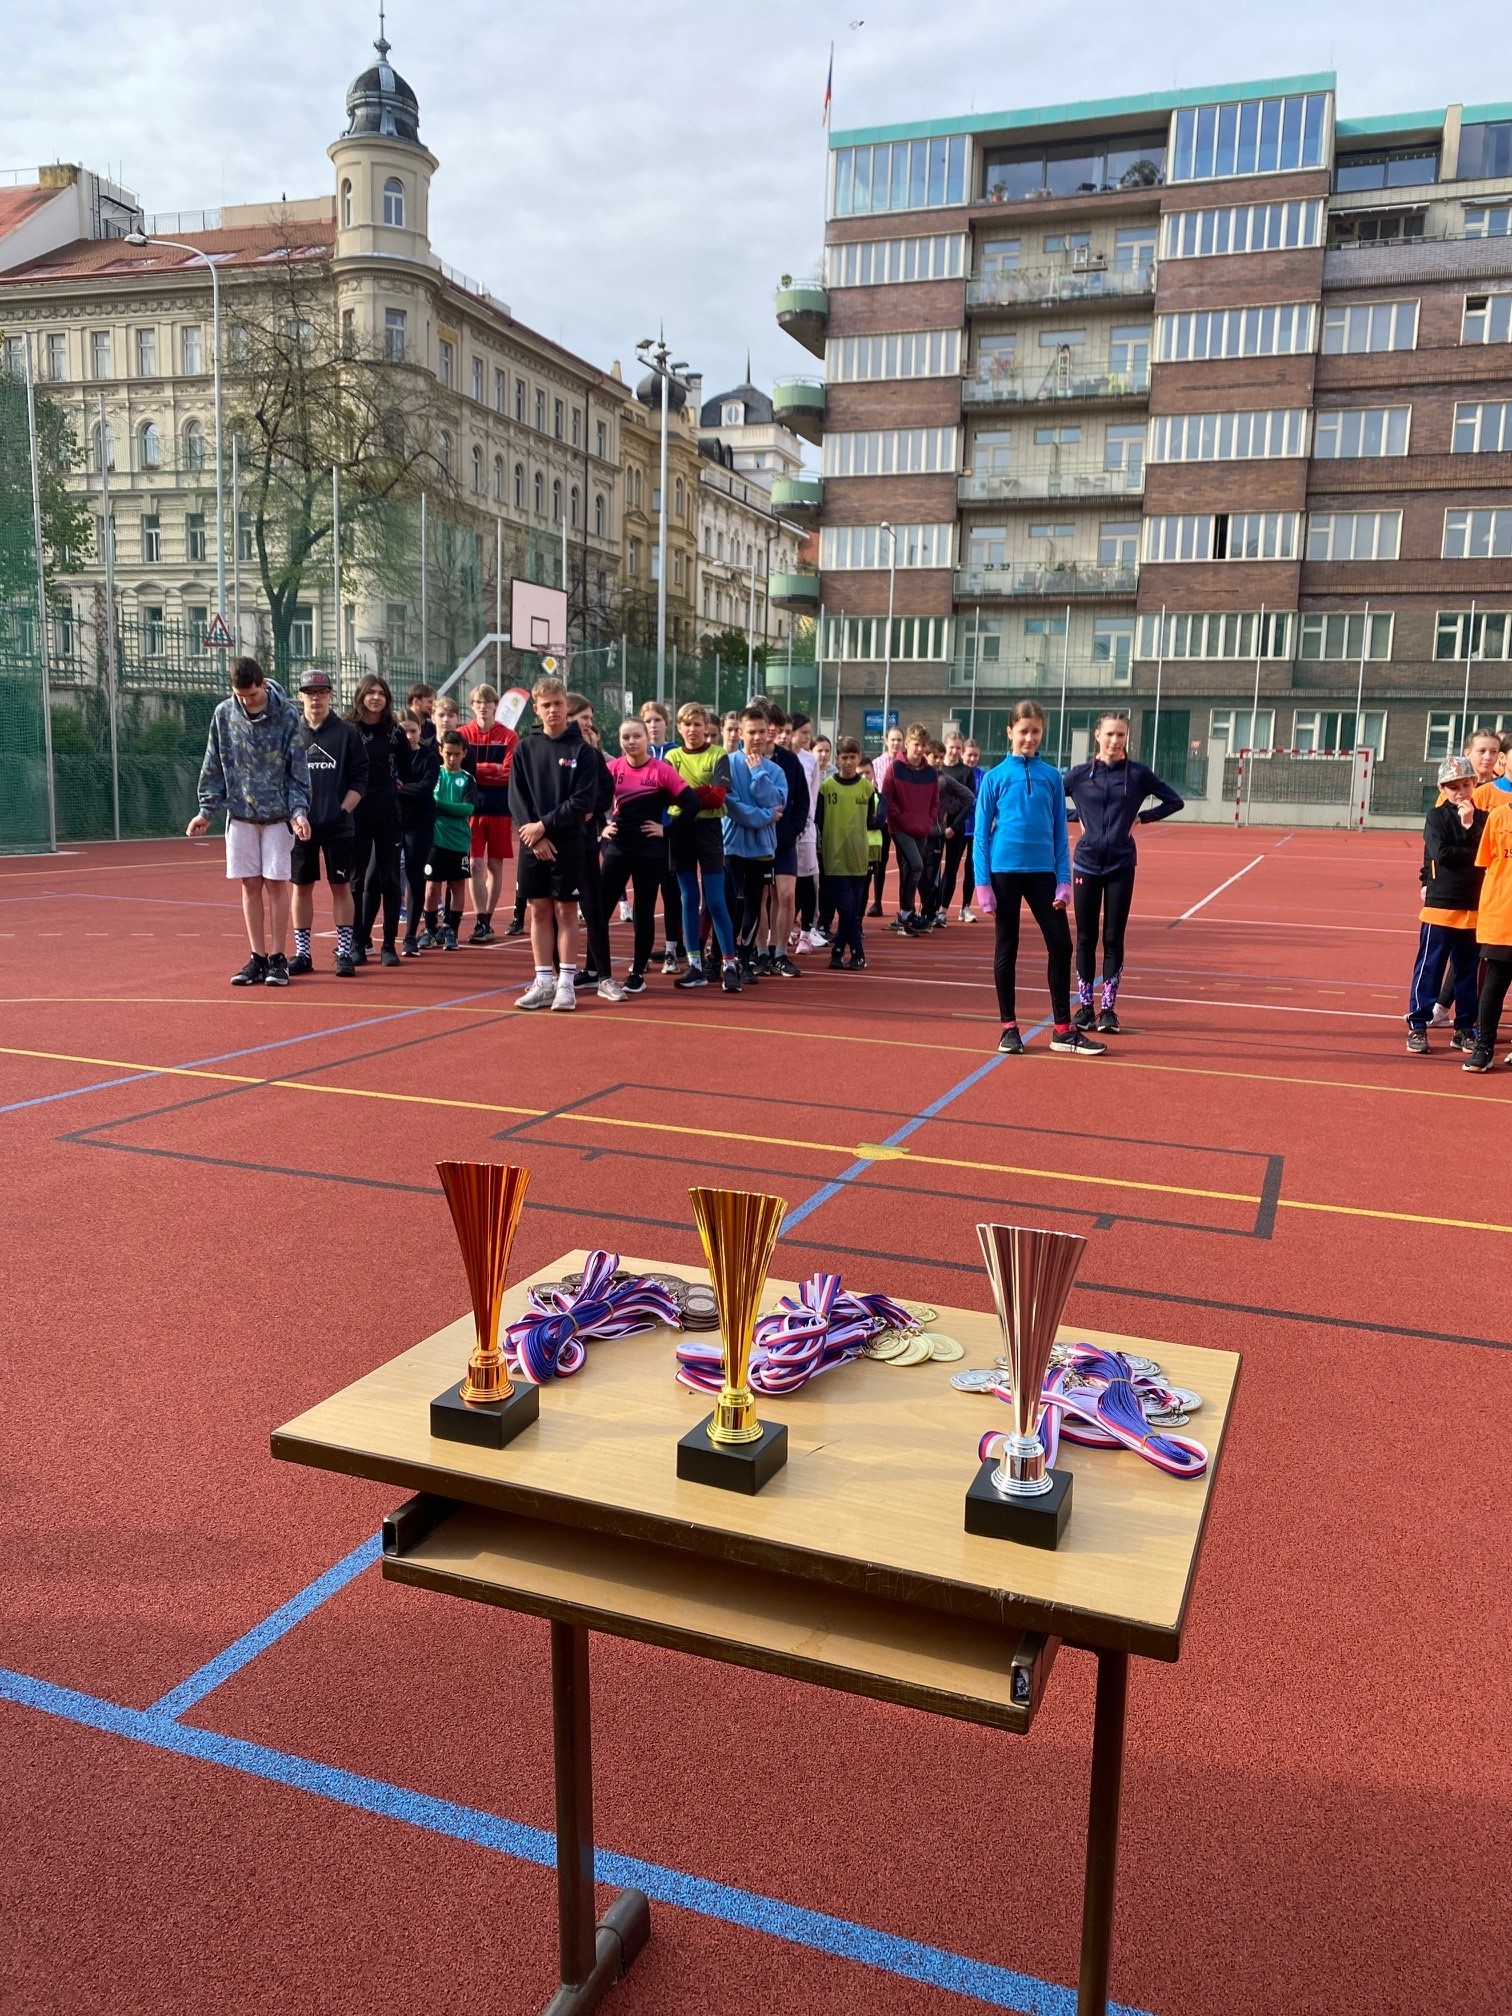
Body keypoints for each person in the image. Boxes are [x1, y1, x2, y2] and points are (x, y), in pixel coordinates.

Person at [973, 699, 1105, 1057]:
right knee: (1007, 946)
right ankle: (1008, 1028)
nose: (1029, 737)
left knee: (1061, 945)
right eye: (1023, 731)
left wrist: (1064, 880)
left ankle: (1062, 1029)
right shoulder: (994, 778)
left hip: (1043, 874)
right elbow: (981, 835)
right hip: (1004, 873)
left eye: (1036, 731)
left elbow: (1060, 833)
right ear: (1010, 732)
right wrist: (982, 884)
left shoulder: (1051, 777)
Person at [188, 656, 311, 987]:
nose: (245, 701)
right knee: (250, 884)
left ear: (263, 684)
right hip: (241, 814)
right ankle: (257, 957)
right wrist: (206, 811)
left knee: (276, 883)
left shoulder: (287, 715)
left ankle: (278, 958)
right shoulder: (224, 714)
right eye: (239, 695)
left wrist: (299, 812)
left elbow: (298, 771)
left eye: (252, 695)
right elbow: (214, 764)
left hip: (278, 817)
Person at [1063, 712, 1185, 1034]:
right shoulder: (1078, 775)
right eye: (1109, 734)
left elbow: (1175, 801)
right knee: (1085, 938)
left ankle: (1108, 1010)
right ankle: (1085, 1007)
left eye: (1121, 735)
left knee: (1113, 938)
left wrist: (1142, 818)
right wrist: (1076, 816)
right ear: (1097, 735)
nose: (1115, 741)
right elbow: (1048, 802)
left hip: (1121, 864)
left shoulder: (1138, 775)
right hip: (1086, 864)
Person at [508, 676, 599, 1012]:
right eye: (546, 705)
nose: (553, 710)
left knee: (565, 911)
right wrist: (535, 836)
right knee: (538, 910)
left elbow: (583, 801)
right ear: (536, 708)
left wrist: (544, 826)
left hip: (568, 843)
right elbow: (517, 798)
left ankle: (566, 985)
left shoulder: (583, 751)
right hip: (532, 842)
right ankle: (543, 982)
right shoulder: (524, 748)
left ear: (567, 705)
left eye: (558, 703)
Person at [600, 718, 703, 993]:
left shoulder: (661, 770)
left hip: (649, 849)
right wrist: (601, 827)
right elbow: (591, 800)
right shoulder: (612, 768)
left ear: (647, 738)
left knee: (643, 911)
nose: (631, 742)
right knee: (600, 908)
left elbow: (692, 804)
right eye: (625, 737)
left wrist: (667, 830)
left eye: (636, 736)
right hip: (618, 846)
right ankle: (595, 970)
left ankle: (637, 973)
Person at [1405, 756, 1486, 1054]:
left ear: (1474, 784)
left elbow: (1487, 853)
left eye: (1466, 784)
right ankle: (1418, 1024)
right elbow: (1441, 853)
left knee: (1467, 971)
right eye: (1453, 786)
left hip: (1474, 905)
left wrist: (1470, 826)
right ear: (1442, 788)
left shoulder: (1485, 818)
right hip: (1440, 905)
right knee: (1430, 967)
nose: (1461, 792)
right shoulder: (1436, 817)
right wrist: (1469, 847)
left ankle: (1464, 1028)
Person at [289, 668, 365, 978]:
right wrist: (295, 816)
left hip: (338, 826)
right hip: (301, 826)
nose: (316, 698)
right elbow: (282, 778)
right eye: (310, 692)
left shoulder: (347, 733)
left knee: (340, 887)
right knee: (301, 888)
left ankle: (344, 952)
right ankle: (302, 954)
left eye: (321, 692)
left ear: (330, 695)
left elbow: (360, 779)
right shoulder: (292, 732)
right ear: (301, 696)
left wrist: (342, 811)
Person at [1430, 728, 1504, 1023]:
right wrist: (1427, 879)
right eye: (1481, 751)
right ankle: (1445, 1009)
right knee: (1460, 956)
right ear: (1468, 753)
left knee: (1482, 956)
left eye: (1493, 751)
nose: (1488, 757)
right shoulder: (1454, 793)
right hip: (1459, 888)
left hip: (1494, 886)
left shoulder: (1500, 786)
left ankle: (1472, 1017)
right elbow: (1437, 845)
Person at [666, 702, 740, 992]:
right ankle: (694, 965)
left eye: (698, 724)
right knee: (688, 899)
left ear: (706, 727)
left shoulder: (718, 755)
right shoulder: (672, 757)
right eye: (687, 724)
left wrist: (686, 796)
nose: (693, 729)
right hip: (680, 831)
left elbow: (718, 797)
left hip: (709, 832)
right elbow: (668, 797)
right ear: (679, 728)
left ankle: (729, 964)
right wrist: (702, 792)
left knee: (716, 901)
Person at [347, 673, 411, 967]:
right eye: (370, 692)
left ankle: (388, 945)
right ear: (361, 696)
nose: (376, 697)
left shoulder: (394, 732)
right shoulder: (348, 729)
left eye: (381, 693)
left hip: (387, 812)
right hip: (357, 814)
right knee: (356, 881)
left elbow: (407, 769)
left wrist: (397, 781)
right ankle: (356, 943)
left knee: (391, 880)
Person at [723, 704, 787, 980]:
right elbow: (732, 806)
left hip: (762, 849)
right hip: (732, 846)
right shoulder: (727, 763)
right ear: (740, 733)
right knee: (729, 904)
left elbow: (777, 802)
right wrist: (766, 816)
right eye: (752, 732)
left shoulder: (775, 771)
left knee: (753, 903)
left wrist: (759, 773)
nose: (758, 737)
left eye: (762, 731)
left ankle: (746, 959)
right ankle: (725, 958)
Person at [566, 693, 621, 1000]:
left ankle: (602, 975)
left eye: (590, 718)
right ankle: (553, 976)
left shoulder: (592, 753)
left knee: (593, 908)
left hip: (585, 840)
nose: (589, 723)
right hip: (554, 840)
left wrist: (589, 808)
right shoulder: (544, 748)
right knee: (553, 909)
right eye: (584, 717)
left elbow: (606, 790)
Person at [461, 682, 519, 943]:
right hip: (471, 810)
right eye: (478, 702)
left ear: (496, 705)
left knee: (495, 865)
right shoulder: (463, 734)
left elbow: (508, 773)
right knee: (474, 864)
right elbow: (460, 770)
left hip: (499, 809)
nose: (483, 706)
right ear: (472, 706)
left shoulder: (509, 736)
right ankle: (480, 919)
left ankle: (487, 919)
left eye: (487, 702)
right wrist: (491, 768)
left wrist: (477, 769)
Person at [816, 737, 880, 969]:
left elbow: (871, 821)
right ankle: (858, 952)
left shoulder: (867, 788)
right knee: (845, 906)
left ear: (859, 757)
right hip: (834, 855)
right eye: (844, 757)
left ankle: (837, 952)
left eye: (853, 757)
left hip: (859, 855)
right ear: (838, 758)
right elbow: (820, 821)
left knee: (851, 907)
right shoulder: (826, 788)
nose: (849, 762)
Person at [758, 702, 810, 977]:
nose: (771, 730)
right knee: (761, 895)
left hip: (784, 840)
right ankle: (761, 953)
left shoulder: (789, 760)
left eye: (776, 725)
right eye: (767, 724)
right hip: (756, 840)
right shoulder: (743, 759)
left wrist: (793, 830)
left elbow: (802, 799)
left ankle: (780, 952)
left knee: (786, 895)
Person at [1465, 775, 1512, 1071]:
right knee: (1493, 985)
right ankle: (1484, 1047)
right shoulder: (1499, 816)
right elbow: (1486, 862)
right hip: (1502, 915)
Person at [639, 700, 685, 971]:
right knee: (644, 896)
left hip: (669, 833)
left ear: (667, 723)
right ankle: (641, 954)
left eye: (657, 720)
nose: (653, 725)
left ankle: (671, 951)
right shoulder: (637, 752)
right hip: (642, 833)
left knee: (671, 894)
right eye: (648, 721)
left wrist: (669, 826)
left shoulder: (676, 752)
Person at [882, 724, 939, 935]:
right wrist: (903, 820)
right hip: (900, 829)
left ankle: (906, 916)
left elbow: (934, 803)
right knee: (916, 865)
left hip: (921, 829)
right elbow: (887, 798)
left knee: (910, 870)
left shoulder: (931, 773)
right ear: (907, 744)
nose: (920, 749)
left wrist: (927, 822)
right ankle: (906, 913)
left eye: (923, 745)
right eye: (916, 744)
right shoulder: (895, 768)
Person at [425, 731, 476, 949]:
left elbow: (467, 809)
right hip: (435, 841)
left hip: (459, 841)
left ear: (464, 753)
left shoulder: (467, 779)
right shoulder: (433, 775)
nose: (452, 758)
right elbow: (426, 801)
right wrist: (437, 805)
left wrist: (439, 805)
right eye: (448, 753)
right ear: (440, 751)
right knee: (431, 888)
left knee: (457, 886)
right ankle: (430, 929)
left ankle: (451, 929)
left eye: (456, 754)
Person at [398, 708, 440, 956]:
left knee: (415, 877)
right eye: (403, 731)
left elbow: (425, 788)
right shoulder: (391, 756)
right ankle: (369, 938)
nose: (409, 736)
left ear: (420, 731)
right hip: (393, 821)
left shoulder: (429, 757)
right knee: (381, 878)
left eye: (413, 731)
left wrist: (400, 789)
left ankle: (410, 936)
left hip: (420, 824)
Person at [930, 739, 976, 932]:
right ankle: (929, 909)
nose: (955, 751)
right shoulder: (936, 771)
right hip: (936, 828)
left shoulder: (966, 772)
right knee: (931, 869)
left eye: (958, 748)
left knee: (951, 868)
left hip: (956, 829)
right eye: (951, 747)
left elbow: (968, 801)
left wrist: (953, 827)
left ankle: (942, 911)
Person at [788, 712, 825, 951]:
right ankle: (781, 930)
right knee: (780, 885)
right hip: (782, 832)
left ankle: (805, 934)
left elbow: (812, 796)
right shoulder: (778, 757)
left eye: (809, 733)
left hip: (805, 831)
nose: (807, 737)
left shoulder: (810, 760)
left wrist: (804, 824)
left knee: (807, 881)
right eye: (803, 733)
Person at [868, 723, 905, 915]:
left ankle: (904, 906)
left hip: (901, 819)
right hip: (882, 819)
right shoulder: (876, 764)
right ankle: (877, 902)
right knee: (879, 862)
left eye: (899, 740)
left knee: (903, 862)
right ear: (886, 741)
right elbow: (873, 789)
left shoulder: (907, 764)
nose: (896, 743)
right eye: (893, 739)